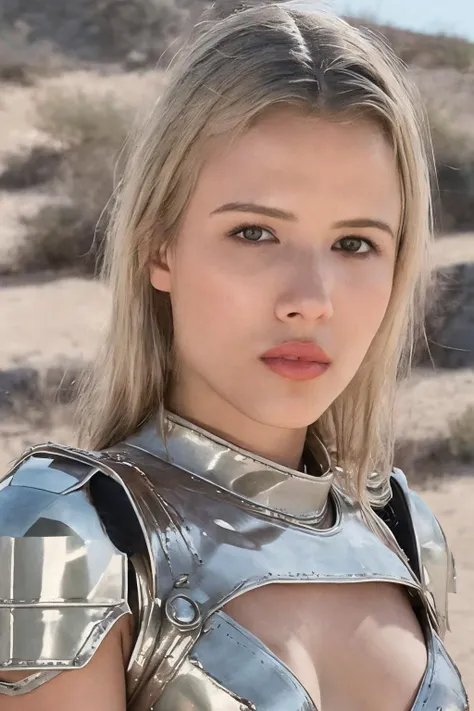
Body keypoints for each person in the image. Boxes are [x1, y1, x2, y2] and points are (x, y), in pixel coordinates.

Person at [0, 2, 468, 710]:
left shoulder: (404, 531)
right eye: (254, 232)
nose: (311, 299)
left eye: (355, 244)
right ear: (160, 246)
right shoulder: (66, 540)